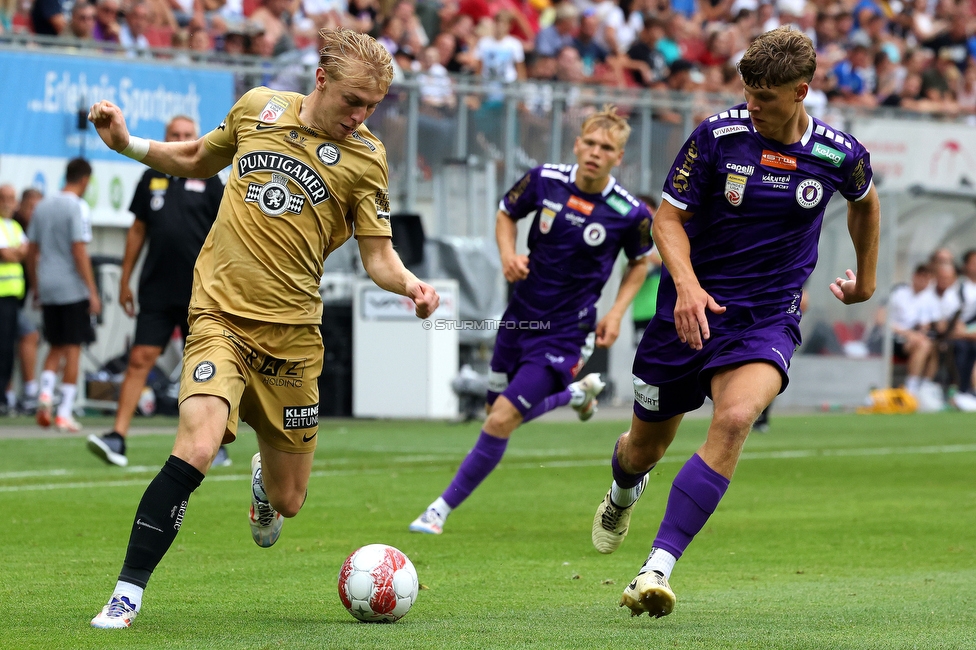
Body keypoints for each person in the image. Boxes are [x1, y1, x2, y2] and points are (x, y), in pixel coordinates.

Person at [86, 27, 439, 629]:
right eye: (352, 101)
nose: (360, 116)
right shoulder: (258, 107)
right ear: (321, 79)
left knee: (288, 500)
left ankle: (261, 485)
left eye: (371, 107)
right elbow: (197, 158)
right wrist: (127, 144)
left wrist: (409, 283)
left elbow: (377, 256)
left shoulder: (366, 159)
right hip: (219, 316)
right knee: (195, 448)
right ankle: (127, 593)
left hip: (294, 340)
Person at [589, 26, 880, 618]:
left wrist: (866, 281)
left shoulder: (837, 154)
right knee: (645, 446)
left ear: (801, 90)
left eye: (765, 98)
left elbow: (867, 203)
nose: (752, 105)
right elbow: (665, 221)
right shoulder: (717, 137)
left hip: (766, 316)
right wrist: (688, 288)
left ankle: (656, 569)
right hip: (688, 311)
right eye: (747, 92)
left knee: (737, 416)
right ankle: (622, 491)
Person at [409, 105, 654, 536]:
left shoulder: (629, 212)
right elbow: (506, 213)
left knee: (499, 420)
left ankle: (438, 511)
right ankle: (575, 395)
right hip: (519, 318)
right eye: (591, 143)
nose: (596, 152)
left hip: (566, 332)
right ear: (577, 144)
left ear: (619, 157)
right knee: (494, 410)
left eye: (607, 148)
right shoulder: (545, 180)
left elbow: (640, 262)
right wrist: (508, 255)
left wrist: (616, 312)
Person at [86, 115, 230, 469]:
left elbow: (228, 234)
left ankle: (213, 441)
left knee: (205, 370)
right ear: (165, 138)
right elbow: (137, 231)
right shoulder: (150, 177)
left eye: (187, 135)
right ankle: (117, 437)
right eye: (174, 135)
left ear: (197, 139)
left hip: (202, 291)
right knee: (138, 360)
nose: (181, 139)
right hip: (156, 288)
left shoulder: (211, 180)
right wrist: (124, 280)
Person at [26, 158, 102, 433]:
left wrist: (36, 286)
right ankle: (64, 413)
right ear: (84, 180)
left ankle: (45, 395)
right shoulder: (78, 207)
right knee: (72, 350)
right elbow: (79, 251)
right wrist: (92, 291)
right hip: (71, 287)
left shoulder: (42, 206)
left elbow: (32, 250)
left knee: (54, 345)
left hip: (47, 285)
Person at [11, 188, 42, 414]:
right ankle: (28, 391)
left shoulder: (37, 230)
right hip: (7, 298)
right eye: (32, 207)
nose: (35, 212)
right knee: (28, 334)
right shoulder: (12, 226)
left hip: (17, 299)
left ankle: (17, 392)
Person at [0, 185, 27, 416]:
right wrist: (15, 253)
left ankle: (4, 396)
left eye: (12, 198)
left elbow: (24, 251)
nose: (9, 203)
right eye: (5, 198)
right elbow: (7, 254)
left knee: (8, 349)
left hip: (12, 296)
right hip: (1, 296)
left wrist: (15, 252)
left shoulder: (15, 226)